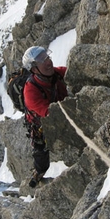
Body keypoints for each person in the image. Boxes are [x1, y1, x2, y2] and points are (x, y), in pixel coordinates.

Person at [22, 46, 68, 187]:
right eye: (42, 60)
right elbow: (47, 113)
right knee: (40, 148)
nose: (48, 62)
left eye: (47, 57)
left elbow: (72, 72)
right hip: (39, 122)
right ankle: (39, 171)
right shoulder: (31, 91)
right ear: (34, 69)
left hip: (60, 108)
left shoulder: (56, 73)